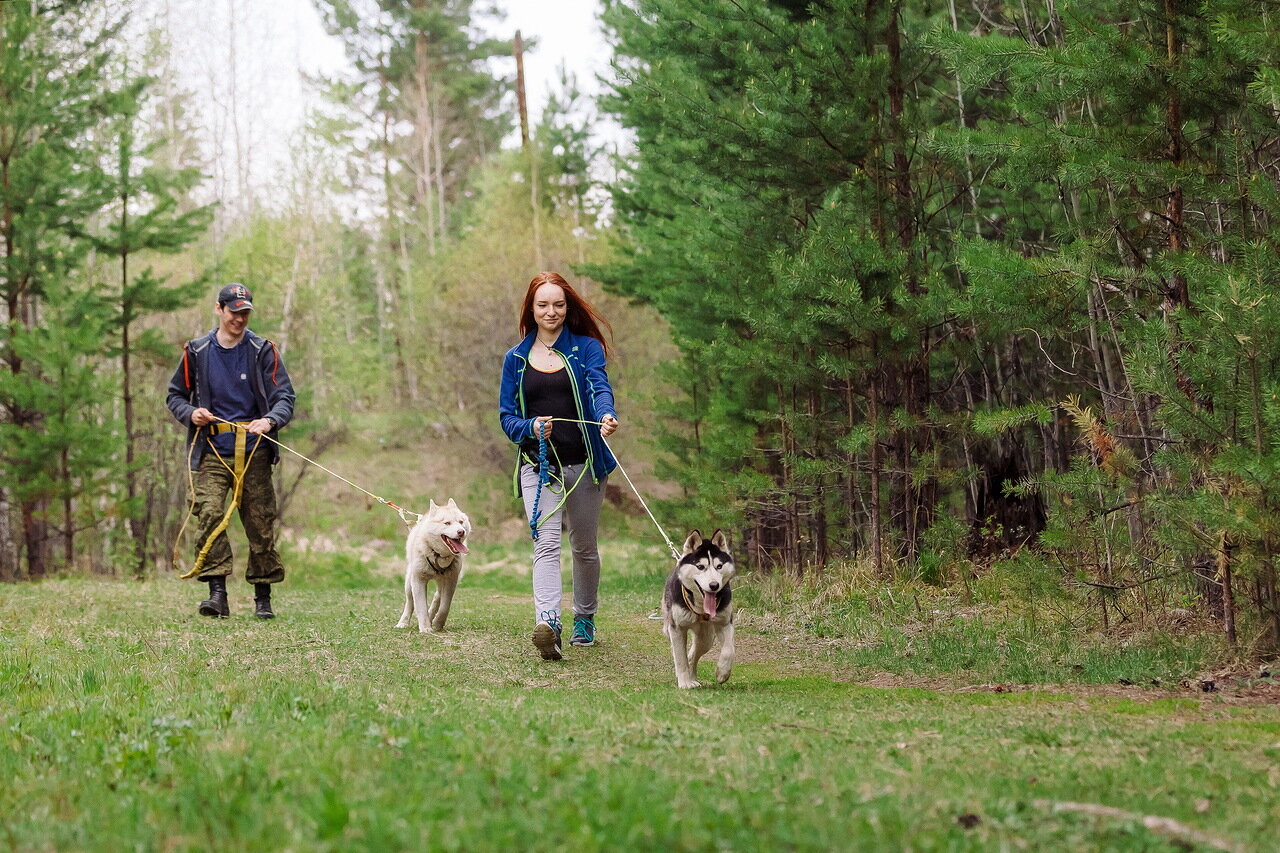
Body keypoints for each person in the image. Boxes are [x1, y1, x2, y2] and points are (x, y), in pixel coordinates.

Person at [499, 272, 620, 660]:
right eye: (542, 305)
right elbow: (507, 418)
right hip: (540, 465)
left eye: (558, 304)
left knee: (584, 547)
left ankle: (585, 618)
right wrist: (530, 427)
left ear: (567, 309)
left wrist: (606, 416)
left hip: (585, 465)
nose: (551, 311)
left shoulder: (586, 349)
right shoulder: (515, 359)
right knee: (545, 546)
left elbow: (600, 387)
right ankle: (548, 622)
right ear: (530, 310)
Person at [166, 282, 296, 619]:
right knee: (208, 513)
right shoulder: (195, 352)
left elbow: (285, 397)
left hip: (254, 449)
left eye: (245, 313)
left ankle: (263, 598)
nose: (239, 319)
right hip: (209, 448)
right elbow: (174, 396)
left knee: (260, 523)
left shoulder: (262, 350)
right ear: (219, 309)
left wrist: (269, 420)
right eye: (234, 312)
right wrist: (190, 413)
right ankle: (217, 594)